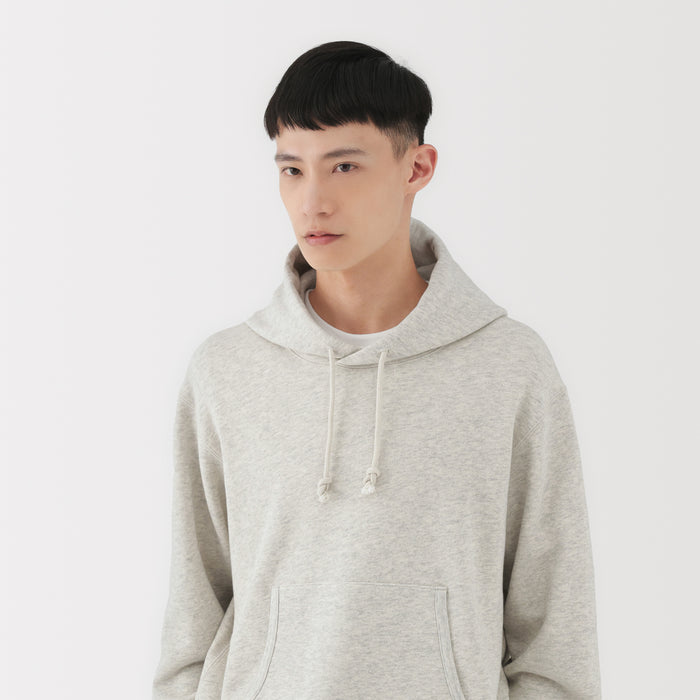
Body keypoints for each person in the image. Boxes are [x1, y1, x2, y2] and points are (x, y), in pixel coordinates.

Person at [152, 40, 602, 699]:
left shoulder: (509, 367)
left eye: (344, 166)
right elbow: (193, 624)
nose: (313, 201)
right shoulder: (227, 371)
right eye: (292, 170)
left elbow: (556, 637)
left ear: (417, 167)